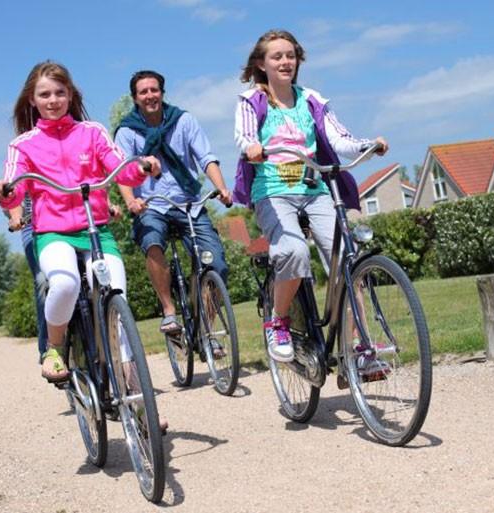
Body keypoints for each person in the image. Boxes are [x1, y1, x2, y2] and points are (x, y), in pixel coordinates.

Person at [0, 61, 161, 383]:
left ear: (70, 95)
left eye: (59, 93)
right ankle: (55, 348)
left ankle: (132, 384)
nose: (53, 100)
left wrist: (141, 167)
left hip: (96, 230)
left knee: (116, 298)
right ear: (32, 100)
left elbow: (120, 167)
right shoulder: (22, 145)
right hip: (53, 233)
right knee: (65, 284)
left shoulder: (92, 132)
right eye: (44, 95)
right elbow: (15, 186)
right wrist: (4, 193)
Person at [233, 30, 388, 363]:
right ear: (261, 64)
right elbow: (244, 137)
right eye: (277, 56)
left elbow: (340, 139)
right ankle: (278, 321)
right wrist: (252, 147)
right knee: (294, 251)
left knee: (348, 259)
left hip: (313, 189)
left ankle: (359, 345)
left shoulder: (311, 99)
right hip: (273, 192)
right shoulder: (252, 101)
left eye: (290, 55)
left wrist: (367, 146)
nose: (285, 62)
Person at [115, 70, 233, 343]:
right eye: (143, 92)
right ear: (135, 98)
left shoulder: (183, 120)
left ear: (162, 93)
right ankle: (169, 311)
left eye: (154, 90)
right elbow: (123, 170)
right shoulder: (127, 131)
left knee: (216, 263)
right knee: (152, 241)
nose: (150, 96)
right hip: (152, 206)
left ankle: (206, 328)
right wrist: (131, 201)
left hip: (189, 203)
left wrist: (221, 188)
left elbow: (206, 157)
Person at [7, 197, 48, 359]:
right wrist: (16, 216)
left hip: (65, 222)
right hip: (32, 229)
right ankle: (46, 346)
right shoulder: (19, 179)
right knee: (43, 280)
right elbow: (12, 197)